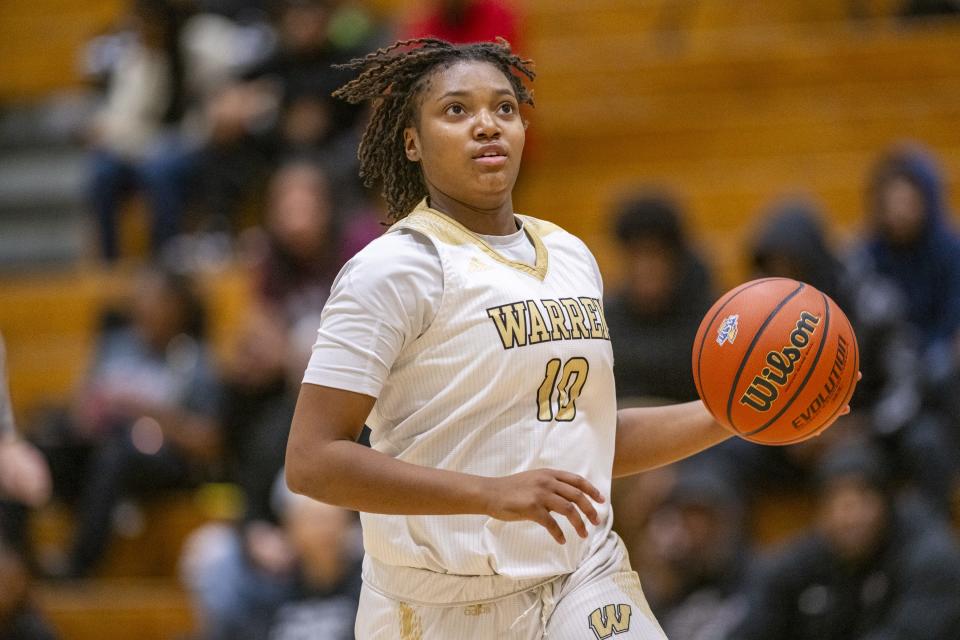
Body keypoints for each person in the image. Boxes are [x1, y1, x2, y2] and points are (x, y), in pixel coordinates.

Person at [283, 38, 855, 638]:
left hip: (582, 578)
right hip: (435, 606)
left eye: (504, 109)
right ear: (411, 141)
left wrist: (740, 414)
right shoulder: (392, 270)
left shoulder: (569, 256)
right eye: (456, 111)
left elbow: (589, 438)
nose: (487, 125)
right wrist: (489, 493)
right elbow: (312, 461)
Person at [725, 442, 960, 640]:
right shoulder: (806, 557)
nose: (850, 517)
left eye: (862, 499)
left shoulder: (931, 555)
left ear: (887, 503)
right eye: (836, 504)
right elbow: (751, 626)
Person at [604, 193, 715, 404]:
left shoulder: (709, 322)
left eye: (653, 254)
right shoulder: (605, 321)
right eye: (635, 255)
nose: (644, 268)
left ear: (676, 258)